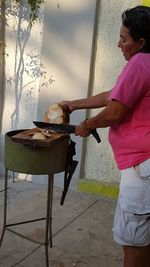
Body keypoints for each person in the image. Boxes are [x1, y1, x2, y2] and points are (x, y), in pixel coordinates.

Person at [61, 5, 150, 267]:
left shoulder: (139, 65)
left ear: (141, 41)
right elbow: (114, 94)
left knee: (133, 245)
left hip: (140, 169)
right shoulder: (144, 63)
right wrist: (74, 105)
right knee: (144, 240)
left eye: (124, 39)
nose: (118, 44)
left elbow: (114, 112)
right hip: (145, 165)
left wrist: (88, 125)